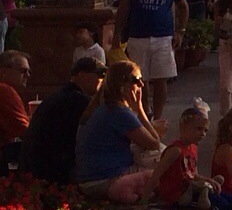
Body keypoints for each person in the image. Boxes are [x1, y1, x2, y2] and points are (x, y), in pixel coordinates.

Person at [115, 0, 187, 120]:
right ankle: (144, 111)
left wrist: (180, 30)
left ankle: (158, 116)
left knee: (161, 77)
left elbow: (183, 6)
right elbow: (124, 6)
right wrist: (118, 32)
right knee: (141, 78)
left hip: (163, 36)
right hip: (138, 35)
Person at [74, 59, 164, 200]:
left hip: (89, 179)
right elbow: (154, 143)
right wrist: (139, 109)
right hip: (105, 180)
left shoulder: (102, 107)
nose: (141, 84)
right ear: (123, 84)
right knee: (166, 161)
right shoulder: (118, 111)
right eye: (136, 80)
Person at [24, 53, 104, 184]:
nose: (102, 80)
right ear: (82, 75)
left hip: (36, 165)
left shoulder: (57, 95)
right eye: (99, 75)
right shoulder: (78, 100)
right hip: (54, 169)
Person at [0, 49, 32, 163]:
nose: (28, 75)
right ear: (3, 71)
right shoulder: (4, 90)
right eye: (23, 71)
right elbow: (25, 132)